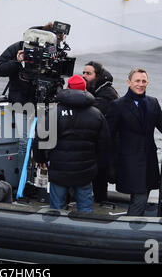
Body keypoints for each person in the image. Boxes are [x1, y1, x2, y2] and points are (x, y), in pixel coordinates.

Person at [0, 22, 65, 183]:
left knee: (46, 142)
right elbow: (0, 68)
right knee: (24, 143)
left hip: (45, 104)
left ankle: (43, 180)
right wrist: (18, 61)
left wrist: (57, 89)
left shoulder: (54, 51)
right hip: (21, 104)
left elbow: (59, 76)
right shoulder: (18, 48)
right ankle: (22, 181)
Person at [105, 68, 162, 216]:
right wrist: (110, 163)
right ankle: (129, 231)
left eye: (144, 81)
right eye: (137, 81)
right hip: (128, 161)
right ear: (129, 82)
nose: (141, 84)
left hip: (149, 160)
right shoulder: (117, 105)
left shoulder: (153, 102)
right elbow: (108, 135)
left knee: (141, 195)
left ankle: (132, 226)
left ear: (147, 83)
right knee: (140, 197)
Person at [33, 75, 110, 212]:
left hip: (59, 169)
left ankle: (56, 230)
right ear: (85, 90)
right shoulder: (97, 114)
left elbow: (41, 139)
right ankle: (83, 230)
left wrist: (41, 159)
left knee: (56, 209)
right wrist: (97, 165)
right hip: (85, 170)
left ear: (68, 88)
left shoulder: (54, 112)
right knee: (85, 208)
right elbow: (104, 145)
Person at [82, 61, 119, 202]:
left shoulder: (107, 93)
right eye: (84, 73)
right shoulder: (93, 88)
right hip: (97, 140)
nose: (84, 76)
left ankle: (100, 201)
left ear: (97, 76)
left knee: (100, 174)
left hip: (105, 142)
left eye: (88, 73)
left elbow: (93, 111)